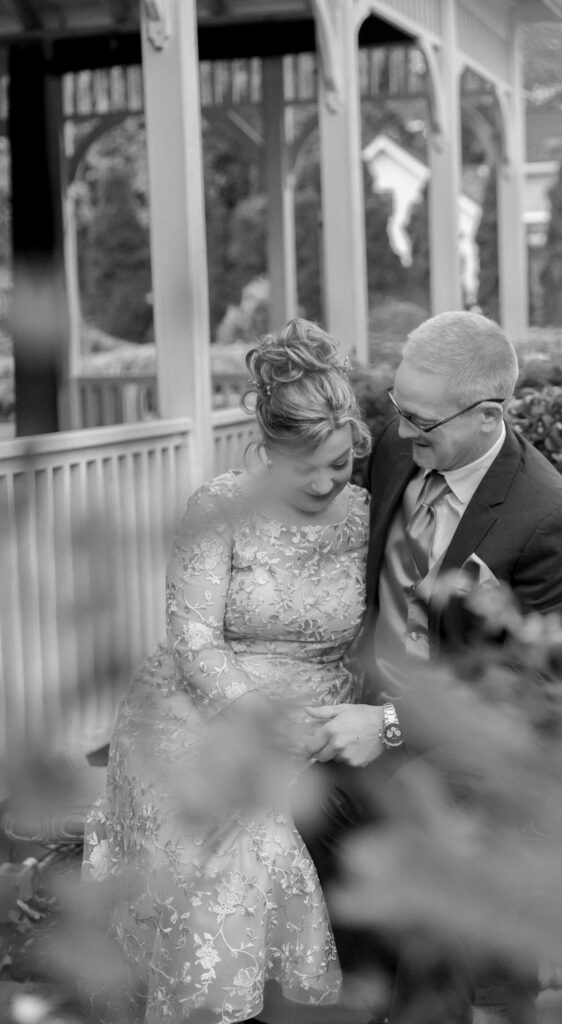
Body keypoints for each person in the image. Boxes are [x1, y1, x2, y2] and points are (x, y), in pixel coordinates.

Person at [299, 310, 562, 1022]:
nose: (399, 435)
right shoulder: (404, 450)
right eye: (398, 412)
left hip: (471, 759)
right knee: (281, 815)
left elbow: (532, 692)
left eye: (420, 423)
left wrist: (391, 727)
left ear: (488, 414)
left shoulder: (547, 518)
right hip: (364, 720)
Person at [82, 319, 372, 1024]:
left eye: (341, 463)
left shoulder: (366, 511)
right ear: (266, 447)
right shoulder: (219, 507)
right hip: (196, 708)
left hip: (316, 708)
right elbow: (192, 639)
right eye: (307, 466)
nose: (327, 480)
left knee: (259, 830)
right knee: (224, 841)